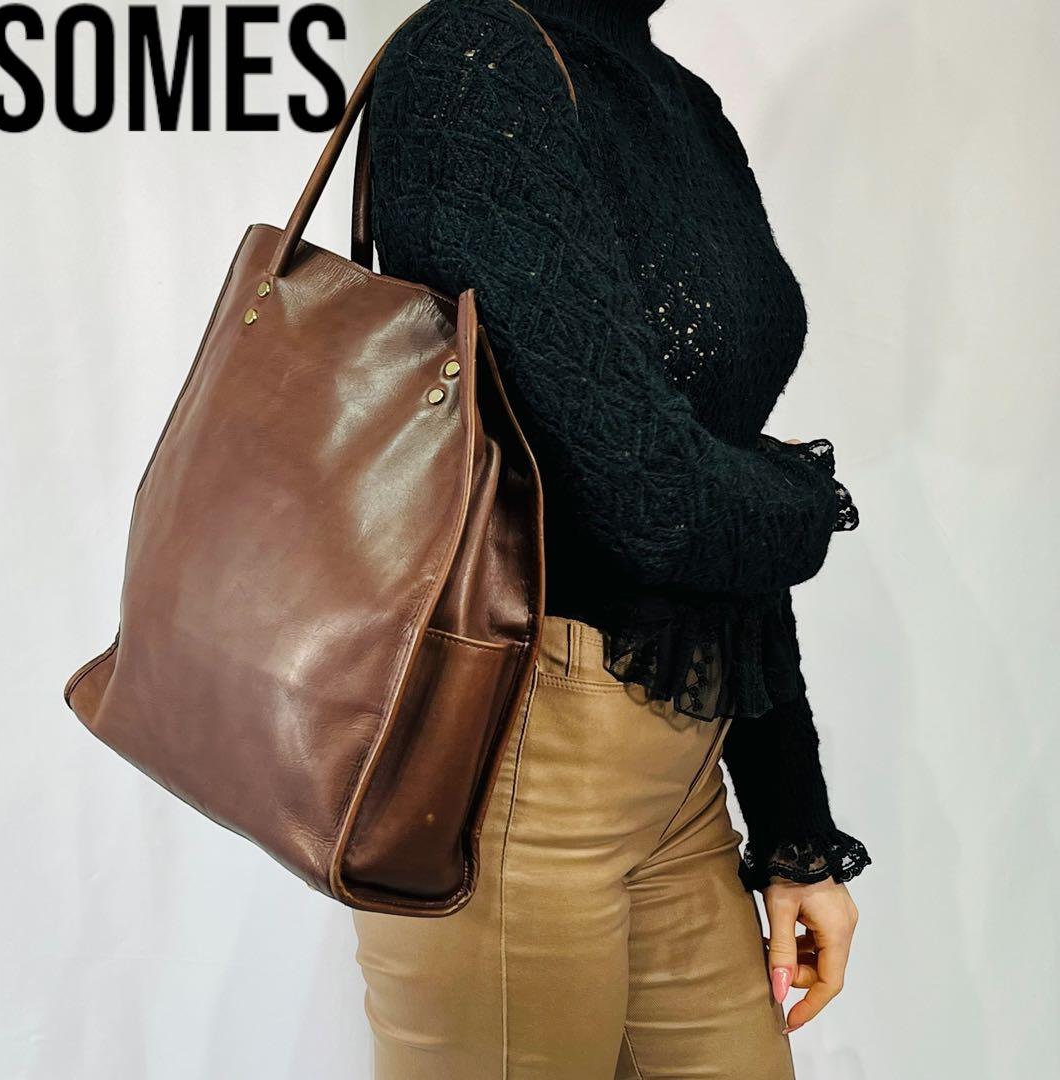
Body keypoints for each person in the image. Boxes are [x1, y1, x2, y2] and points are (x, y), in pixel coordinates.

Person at [351, 1, 872, 1075]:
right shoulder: (474, 62)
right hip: (516, 776)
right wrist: (807, 494)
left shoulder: (679, 100)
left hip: (686, 782)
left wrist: (794, 836)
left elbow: (710, 471)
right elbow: (657, 495)